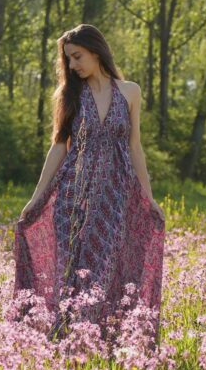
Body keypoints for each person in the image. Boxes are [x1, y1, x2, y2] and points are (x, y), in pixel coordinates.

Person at [13, 23, 166, 347]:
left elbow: (135, 146)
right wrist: (37, 197)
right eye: (68, 59)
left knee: (107, 269)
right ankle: (66, 343)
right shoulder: (70, 95)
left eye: (77, 56)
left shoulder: (130, 92)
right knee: (74, 272)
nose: (72, 65)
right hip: (74, 196)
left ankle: (104, 343)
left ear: (96, 52)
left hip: (115, 198)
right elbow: (59, 146)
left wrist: (147, 197)